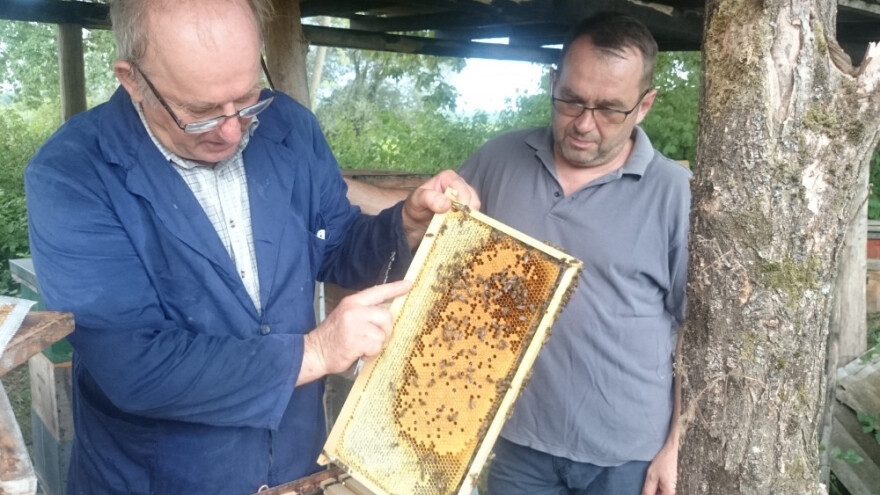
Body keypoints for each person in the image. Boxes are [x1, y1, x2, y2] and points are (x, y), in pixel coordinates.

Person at [24, 0, 477, 494]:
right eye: (198, 113)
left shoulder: (290, 127)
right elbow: (135, 366)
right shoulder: (72, 172)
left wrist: (406, 223)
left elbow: (338, 246)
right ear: (132, 80)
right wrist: (316, 350)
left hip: (294, 465)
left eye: (247, 98)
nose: (233, 129)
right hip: (159, 478)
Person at [347, 11, 689, 495]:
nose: (584, 124)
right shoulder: (498, 159)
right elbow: (439, 262)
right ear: (553, 81)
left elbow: (699, 337)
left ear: (645, 104)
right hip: (510, 440)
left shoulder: (677, 195)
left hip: (625, 457)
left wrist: (676, 444)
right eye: (570, 100)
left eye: (610, 109)